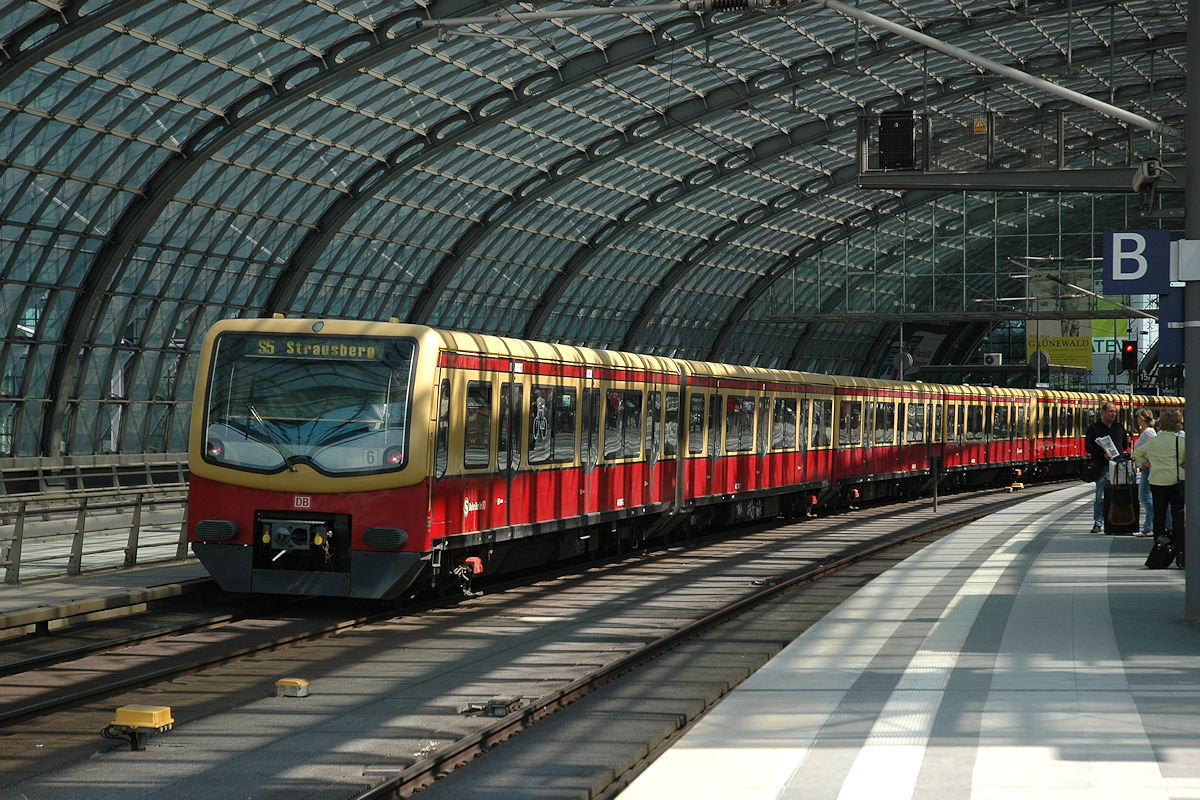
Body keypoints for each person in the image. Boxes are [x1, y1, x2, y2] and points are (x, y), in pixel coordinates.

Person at [1133, 407, 1185, 564]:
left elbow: (1137, 454)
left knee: (1159, 516)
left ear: (1161, 424)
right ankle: (1179, 549)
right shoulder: (1181, 441)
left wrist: (1146, 464)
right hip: (1177, 481)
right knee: (1178, 517)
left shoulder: (1154, 442)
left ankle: (1160, 547)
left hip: (1157, 482)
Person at [1084, 401, 1128, 533]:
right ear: (1102, 412)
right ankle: (1098, 523)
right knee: (1100, 496)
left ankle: (1115, 521)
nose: (1113, 414)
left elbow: (1124, 444)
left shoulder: (1119, 428)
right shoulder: (1094, 429)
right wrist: (1102, 454)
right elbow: (1088, 447)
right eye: (1110, 411)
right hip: (1101, 466)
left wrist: (1117, 454)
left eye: (1114, 411)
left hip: (1118, 465)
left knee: (1118, 495)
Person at [1132, 407, 1158, 537]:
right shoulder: (1146, 432)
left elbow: (1154, 449)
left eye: (1137, 417)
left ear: (1142, 418)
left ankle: (1150, 527)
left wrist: (1147, 462)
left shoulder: (1149, 432)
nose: (1136, 420)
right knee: (1146, 497)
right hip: (1146, 469)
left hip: (1148, 470)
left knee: (1144, 497)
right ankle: (1149, 527)